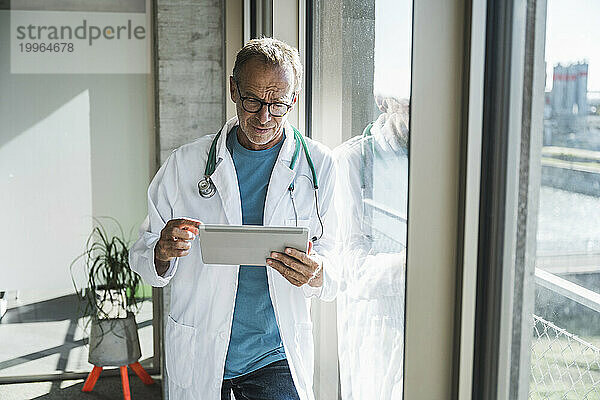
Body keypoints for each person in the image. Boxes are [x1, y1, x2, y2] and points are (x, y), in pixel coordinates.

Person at [129, 38, 338, 400]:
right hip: (201, 347)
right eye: (253, 100)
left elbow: (340, 261)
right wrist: (161, 251)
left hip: (275, 355)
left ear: (295, 98)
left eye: (277, 104)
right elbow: (142, 254)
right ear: (233, 90)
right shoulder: (185, 164)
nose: (263, 117)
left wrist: (318, 271)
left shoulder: (319, 165)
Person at [334, 95, 409, 399]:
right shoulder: (351, 160)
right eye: (411, 104)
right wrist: (412, 263)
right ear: (383, 102)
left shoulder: (441, 158)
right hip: (376, 329)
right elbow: (350, 268)